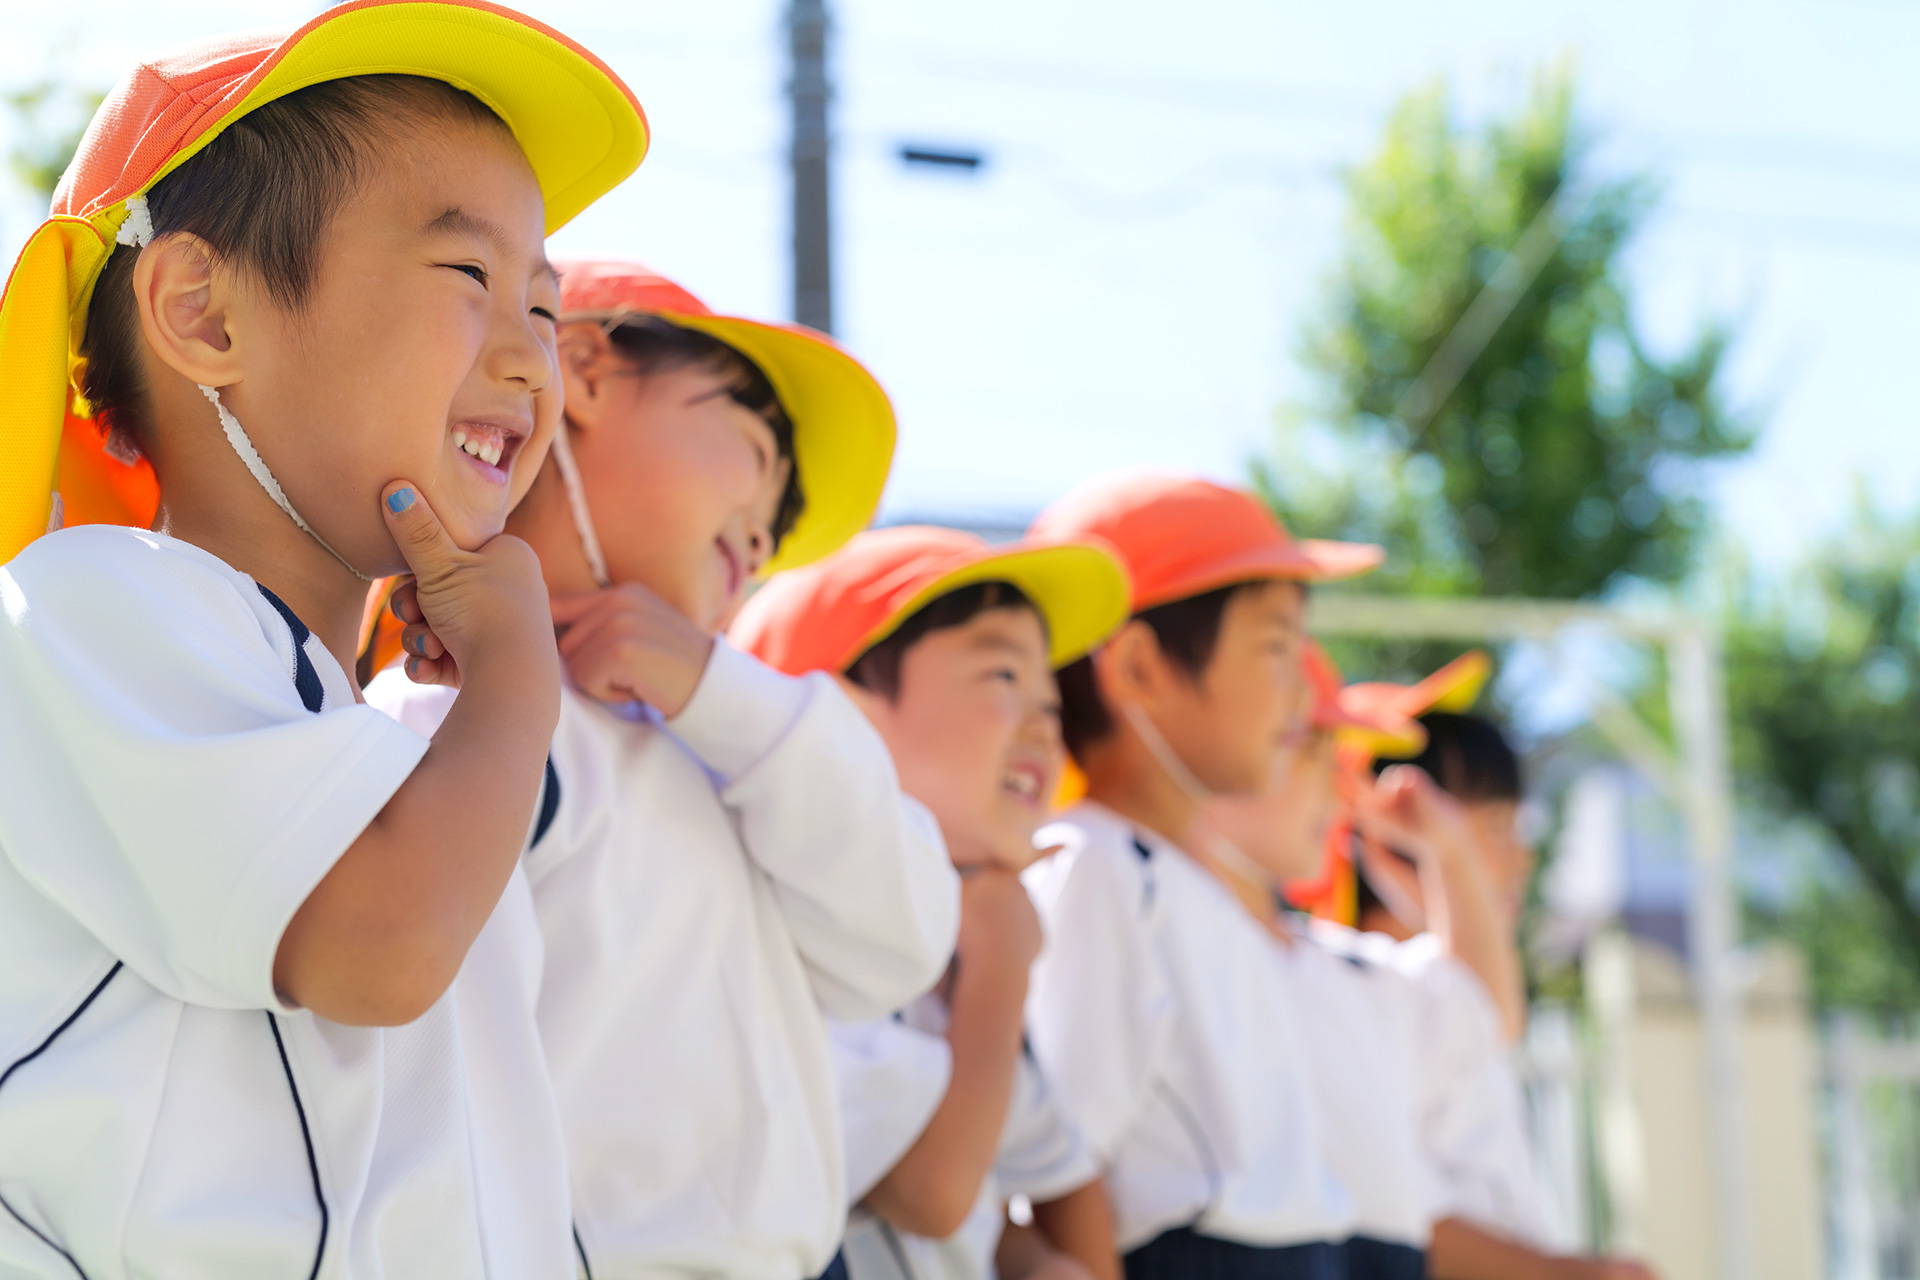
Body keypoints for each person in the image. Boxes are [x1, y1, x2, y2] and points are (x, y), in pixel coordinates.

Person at [0, 6, 645, 1275]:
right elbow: (381, 942)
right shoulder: (88, 603)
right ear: (205, 313)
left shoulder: (411, 754)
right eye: (468, 277)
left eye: (543, 304)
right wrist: (517, 671)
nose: (533, 360)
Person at [366, 261, 960, 1280]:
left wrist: (722, 692)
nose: (766, 535)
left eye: (778, 523)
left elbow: (900, 942)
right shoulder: (445, 722)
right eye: (757, 448)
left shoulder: (742, 753)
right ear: (585, 370)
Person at [733, 525, 1132, 1280]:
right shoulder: (786, 931)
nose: (1048, 724)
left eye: (1052, 698)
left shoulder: (960, 940)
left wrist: (1036, 1262)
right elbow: (930, 1190)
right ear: (837, 719)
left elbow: (1039, 1177)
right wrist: (1004, 962)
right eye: (1004, 677)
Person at [1017, 471, 1383, 1280]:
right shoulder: (1102, 867)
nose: (1302, 687)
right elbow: (1066, 1160)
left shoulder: (1187, 880)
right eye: (1277, 646)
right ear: (1139, 669)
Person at [1202, 647, 1523, 1280]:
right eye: (1308, 749)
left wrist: (1451, 858)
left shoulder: (1343, 969)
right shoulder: (1209, 953)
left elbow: (1484, 1016)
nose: (1337, 787)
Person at [1356, 712, 1661, 1280]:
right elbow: (1395, 1217)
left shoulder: (1436, 995)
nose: (1522, 857)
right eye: (1495, 827)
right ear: (1391, 836)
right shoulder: (1355, 993)